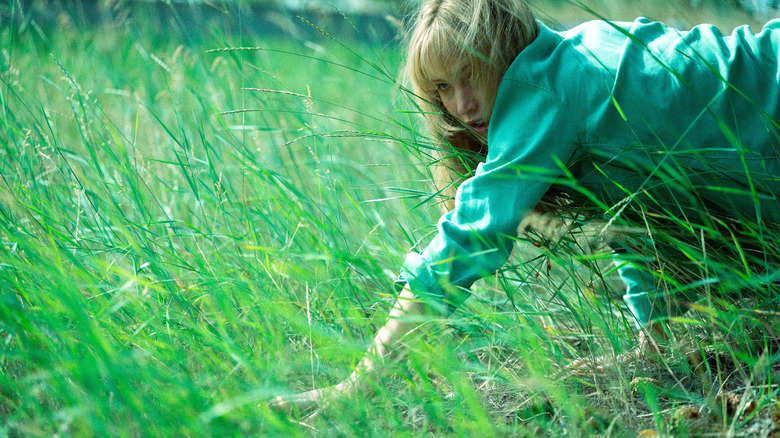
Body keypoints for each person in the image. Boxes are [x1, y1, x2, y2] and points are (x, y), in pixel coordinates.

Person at [269, 0, 780, 415]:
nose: (462, 105)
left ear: (501, 51)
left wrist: (359, 384)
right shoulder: (574, 55)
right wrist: (654, 342)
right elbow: (639, 212)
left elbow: (464, 245)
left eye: (470, 74)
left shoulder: (541, 92)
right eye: (443, 87)